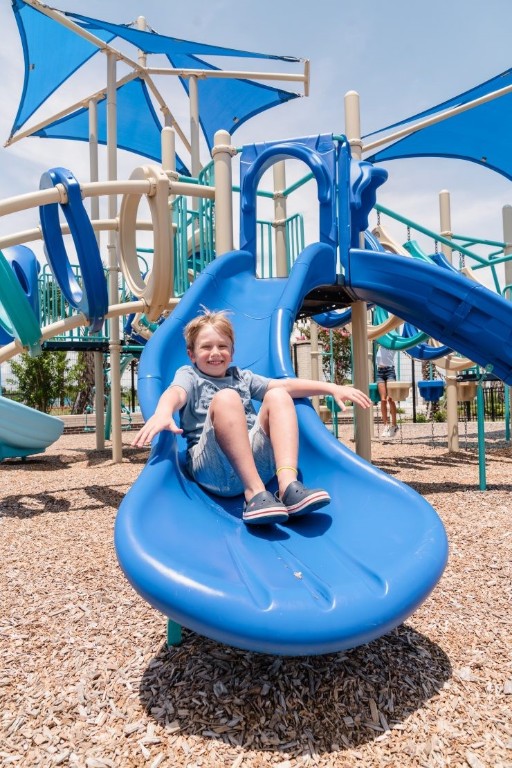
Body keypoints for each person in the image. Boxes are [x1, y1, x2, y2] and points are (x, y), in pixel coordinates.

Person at [132, 309, 372, 525]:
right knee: (227, 398)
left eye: (222, 346)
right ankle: (254, 494)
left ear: (232, 352)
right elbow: (176, 393)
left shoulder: (241, 377)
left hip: (257, 463)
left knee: (277, 394)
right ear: (192, 354)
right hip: (214, 470)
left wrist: (332, 388)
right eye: (206, 347)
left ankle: (287, 486)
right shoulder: (189, 375)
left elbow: (287, 385)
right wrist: (164, 412)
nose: (215, 353)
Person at [376, 344, 398, 438]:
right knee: (383, 400)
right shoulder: (380, 342)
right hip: (379, 372)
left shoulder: (392, 344)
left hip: (390, 371)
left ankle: (394, 425)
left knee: (390, 399)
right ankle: (386, 426)